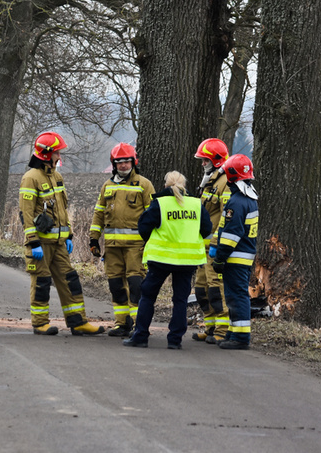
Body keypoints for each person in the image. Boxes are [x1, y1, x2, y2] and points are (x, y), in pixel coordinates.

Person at [19, 132, 104, 336]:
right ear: (47, 154)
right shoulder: (31, 178)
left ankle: (78, 322)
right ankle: (40, 323)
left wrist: (69, 236)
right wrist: (33, 242)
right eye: (57, 152)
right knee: (41, 282)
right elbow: (26, 214)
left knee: (70, 280)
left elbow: (61, 210)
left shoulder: (57, 177)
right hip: (41, 244)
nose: (59, 156)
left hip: (58, 244)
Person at [123, 172, 213, 349]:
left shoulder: (160, 203)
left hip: (161, 259)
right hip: (187, 260)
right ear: (184, 185)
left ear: (165, 185)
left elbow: (144, 227)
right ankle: (175, 340)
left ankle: (140, 336)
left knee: (148, 296)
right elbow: (206, 228)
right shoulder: (196, 204)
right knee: (180, 300)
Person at [88, 143, 155, 336]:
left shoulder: (144, 184)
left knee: (136, 285)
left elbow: (153, 215)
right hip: (112, 247)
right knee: (116, 285)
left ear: (134, 162)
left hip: (136, 247)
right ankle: (122, 323)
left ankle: (138, 324)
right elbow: (98, 214)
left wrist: (150, 241)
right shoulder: (107, 186)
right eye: (119, 162)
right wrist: (94, 239)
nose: (123, 165)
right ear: (113, 164)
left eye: (126, 162)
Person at [213, 154, 259, 350]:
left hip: (235, 256)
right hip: (244, 256)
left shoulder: (236, 202)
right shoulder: (249, 199)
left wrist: (220, 257)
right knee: (234, 294)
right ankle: (234, 332)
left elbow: (232, 233)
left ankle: (241, 338)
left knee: (237, 295)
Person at [192, 138, 232, 344]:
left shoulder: (225, 182)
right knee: (201, 289)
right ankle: (210, 326)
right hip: (201, 248)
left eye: (204, 160)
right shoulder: (209, 181)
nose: (202, 164)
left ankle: (222, 329)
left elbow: (226, 216)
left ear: (216, 160)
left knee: (216, 288)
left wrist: (217, 243)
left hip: (213, 248)